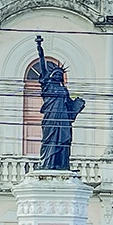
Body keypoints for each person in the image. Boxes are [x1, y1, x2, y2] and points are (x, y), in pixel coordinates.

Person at [35, 35, 85, 171]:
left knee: (64, 142)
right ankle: (47, 164)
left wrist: (78, 104)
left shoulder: (64, 90)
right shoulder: (47, 85)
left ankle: (62, 165)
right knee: (49, 141)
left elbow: (70, 106)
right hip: (50, 118)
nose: (57, 75)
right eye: (55, 73)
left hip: (63, 119)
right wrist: (40, 48)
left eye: (59, 74)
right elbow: (42, 65)